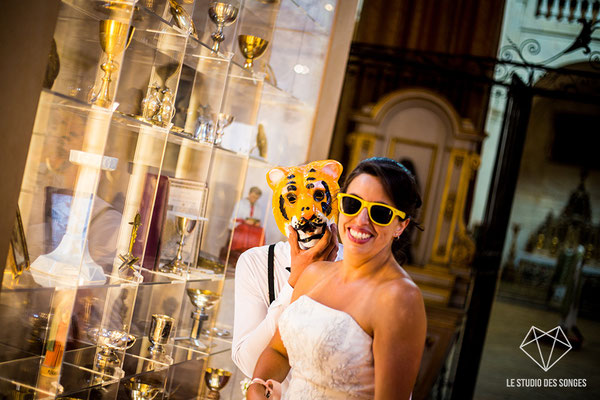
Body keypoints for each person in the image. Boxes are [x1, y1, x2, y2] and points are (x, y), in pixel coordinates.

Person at [247, 157, 427, 400]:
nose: (361, 221)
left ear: (400, 226)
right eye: (352, 204)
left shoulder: (400, 298)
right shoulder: (314, 274)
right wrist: (257, 385)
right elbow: (278, 351)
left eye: (380, 213)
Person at [232, 160, 344, 386]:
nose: (307, 211)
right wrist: (293, 285)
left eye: (319, 196)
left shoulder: (356, 266)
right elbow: (249, 364)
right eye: (292, 199)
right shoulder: (256, 263)